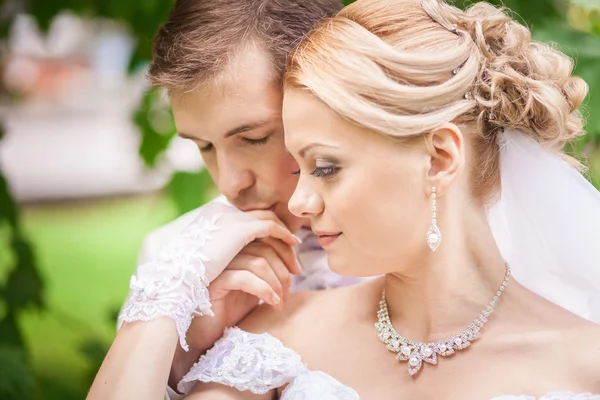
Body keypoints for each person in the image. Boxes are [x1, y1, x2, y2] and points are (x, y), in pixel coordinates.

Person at [171, 0, 600, 398]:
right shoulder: (270, 339)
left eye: (325, 167)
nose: (300, 201)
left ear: (438, 158)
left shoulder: (584, 364)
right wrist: (159, 314)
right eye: (300, 170)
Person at [87, 1, 368, 399]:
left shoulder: (425, 235)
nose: (229, 183)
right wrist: (187, 352)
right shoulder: (175, 259)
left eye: (254, 138)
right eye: (204, 146)